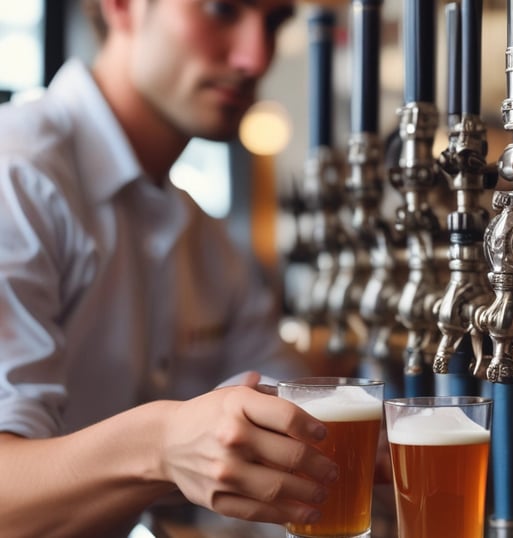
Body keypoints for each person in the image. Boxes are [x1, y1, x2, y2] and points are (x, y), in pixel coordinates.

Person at [0, 0, 340, 536]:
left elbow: (296, 408)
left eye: (274, 23)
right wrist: (160, 445)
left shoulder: (203, 239)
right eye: (222, 10)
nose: (255, 58)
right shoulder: (15, 178)